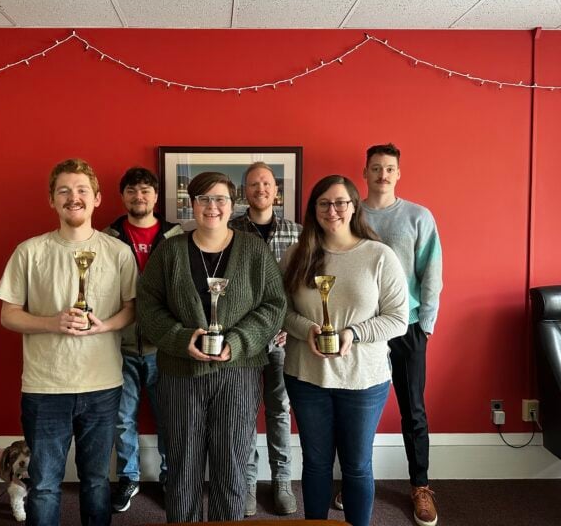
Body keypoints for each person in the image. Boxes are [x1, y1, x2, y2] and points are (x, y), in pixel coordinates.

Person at [0, 158, 137, 526]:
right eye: (64, 191)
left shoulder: (118, 252)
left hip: (103, 385)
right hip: (45, 387)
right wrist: (52, 322)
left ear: (98, 198)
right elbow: (8, 314)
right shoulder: (30, 252)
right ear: (52, 200)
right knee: (43, 484)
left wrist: (104, 326)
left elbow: (131, 310)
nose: (74, 198)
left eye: (82, 191)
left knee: (96, 483)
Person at [137, 171, 287, 522]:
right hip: (179, 373)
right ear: (192, 204)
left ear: (232, 204)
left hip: (238, 373)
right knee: (182, 467)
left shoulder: (253, 250)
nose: (212, 206)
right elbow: (147, 304)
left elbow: (274, 305)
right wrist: (179, 337)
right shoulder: (171, 250)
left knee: (232, 467)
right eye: (203, 199)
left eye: (220, 198)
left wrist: (237, 341)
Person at [281, 174, 408, 526]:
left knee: (356, 464)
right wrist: (306, 329)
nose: (332, 210)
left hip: (364, 380)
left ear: (354, 207)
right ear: (313, 209)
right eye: (324, 203)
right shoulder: (297, 254)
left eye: (340, 202)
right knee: (316, 463)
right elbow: (280, 311)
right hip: (307, 376)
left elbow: (399, 318)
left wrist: (354, 332)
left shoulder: (379, 256)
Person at [355, 143, 443, 526]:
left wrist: (426, 324)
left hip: (406, 326)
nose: (383, 175)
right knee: (356, 410)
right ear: (366, 172)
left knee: (413, 409)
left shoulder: (418, 217)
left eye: (389, 169)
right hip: (360, 329)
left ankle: (420, 486)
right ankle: (357, 480)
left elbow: (431, 274)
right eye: (376, 168)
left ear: (398, 174)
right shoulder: (350, 213)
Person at [103, 167, 183, 512]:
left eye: (146, 191)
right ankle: (129, 477)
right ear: (123, 197)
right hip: (118, 344)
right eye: (132, 191)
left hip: (164, 345)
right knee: (123, 417)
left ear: (156, 196)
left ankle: (169, 476)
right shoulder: (107, 237)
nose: (139, 197)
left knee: (168, 416)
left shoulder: (176, 235)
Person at [230, 161, 301, 516]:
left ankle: (282, 483)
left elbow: (302, 287)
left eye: (267, 183)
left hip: (283, 339)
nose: (261, 189)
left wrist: (292, 323)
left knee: (279, 412)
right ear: (245, 192)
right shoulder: (229, 229)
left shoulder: (297, 233)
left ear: (277, 191)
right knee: (242, 413)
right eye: (254, 183)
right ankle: (246, 485)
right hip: (242, 340)